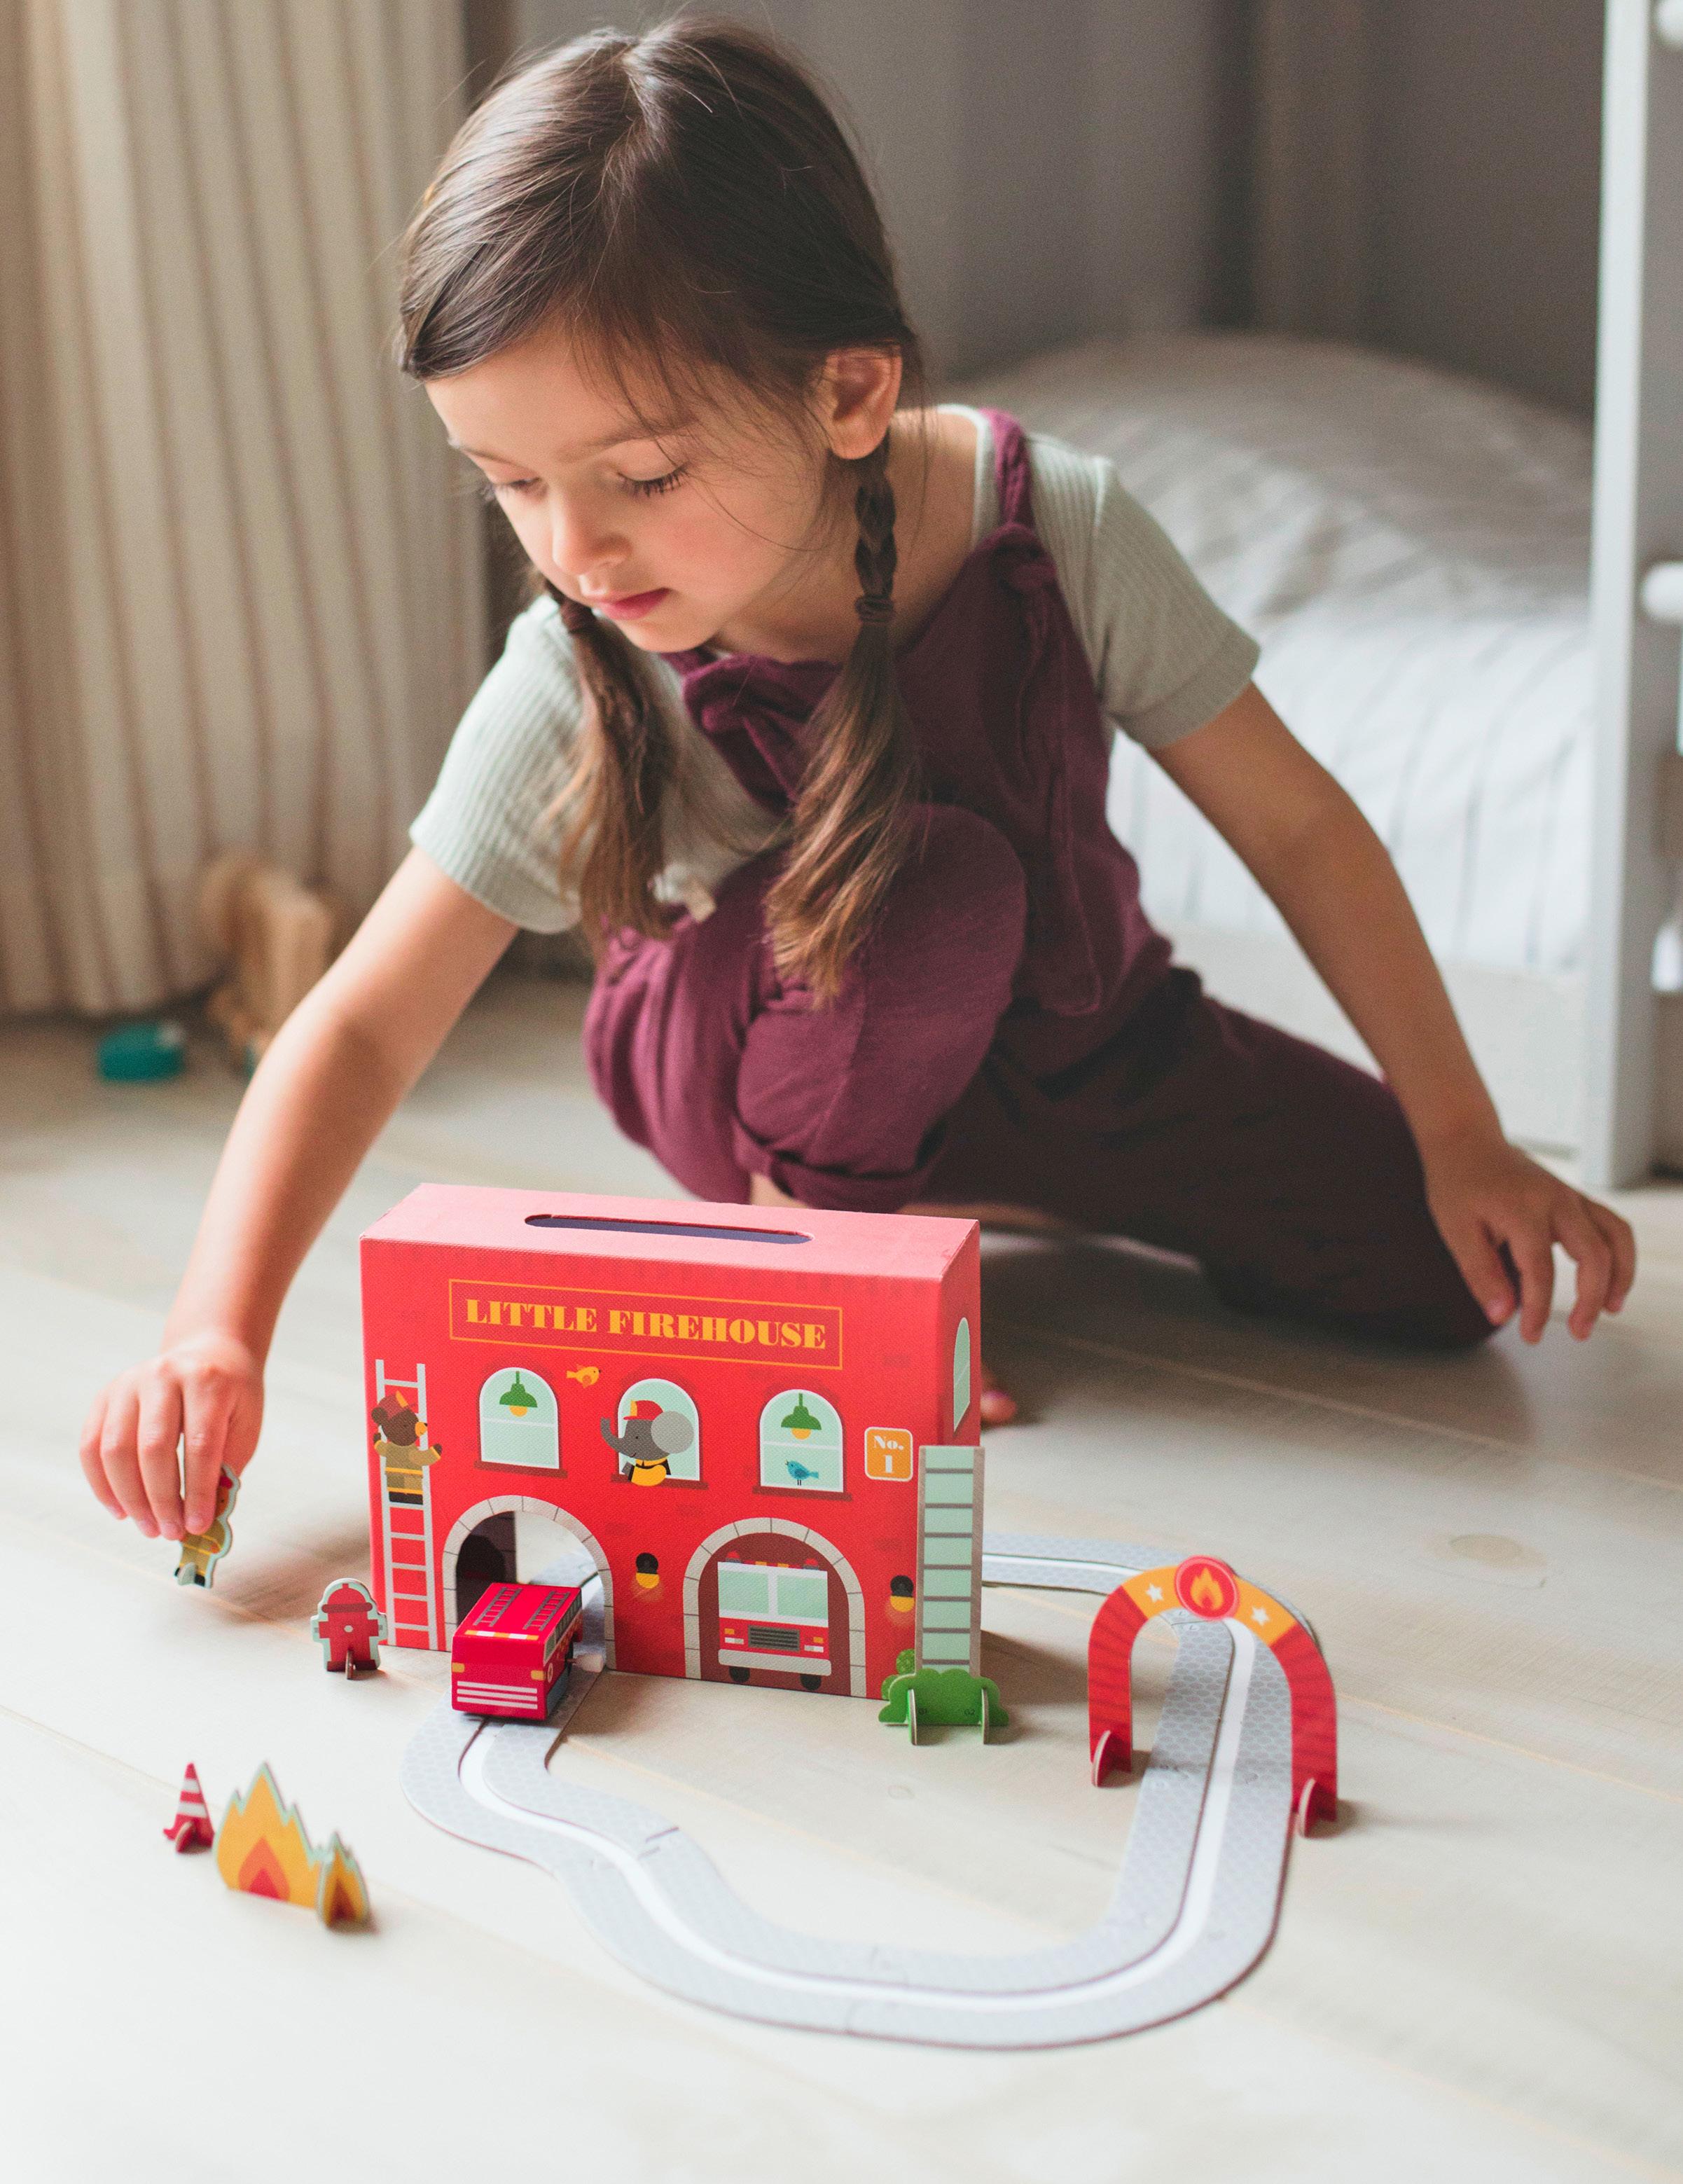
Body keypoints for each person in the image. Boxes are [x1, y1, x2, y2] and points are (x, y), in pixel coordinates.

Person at [80, 16, 1634, 1547]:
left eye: (641, 476)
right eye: (512, 485)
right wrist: (217, 1328)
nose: (573, 549)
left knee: (1446, 1277)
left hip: (1078, 1046)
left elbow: (1296, 823)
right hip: (757, 1052)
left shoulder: (1058, 528)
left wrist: (1462, 1134)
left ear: (847, 394)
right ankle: (812, 1269)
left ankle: (980, 1190)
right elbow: (361, 1021)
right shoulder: (580, 663)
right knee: (931, 885)